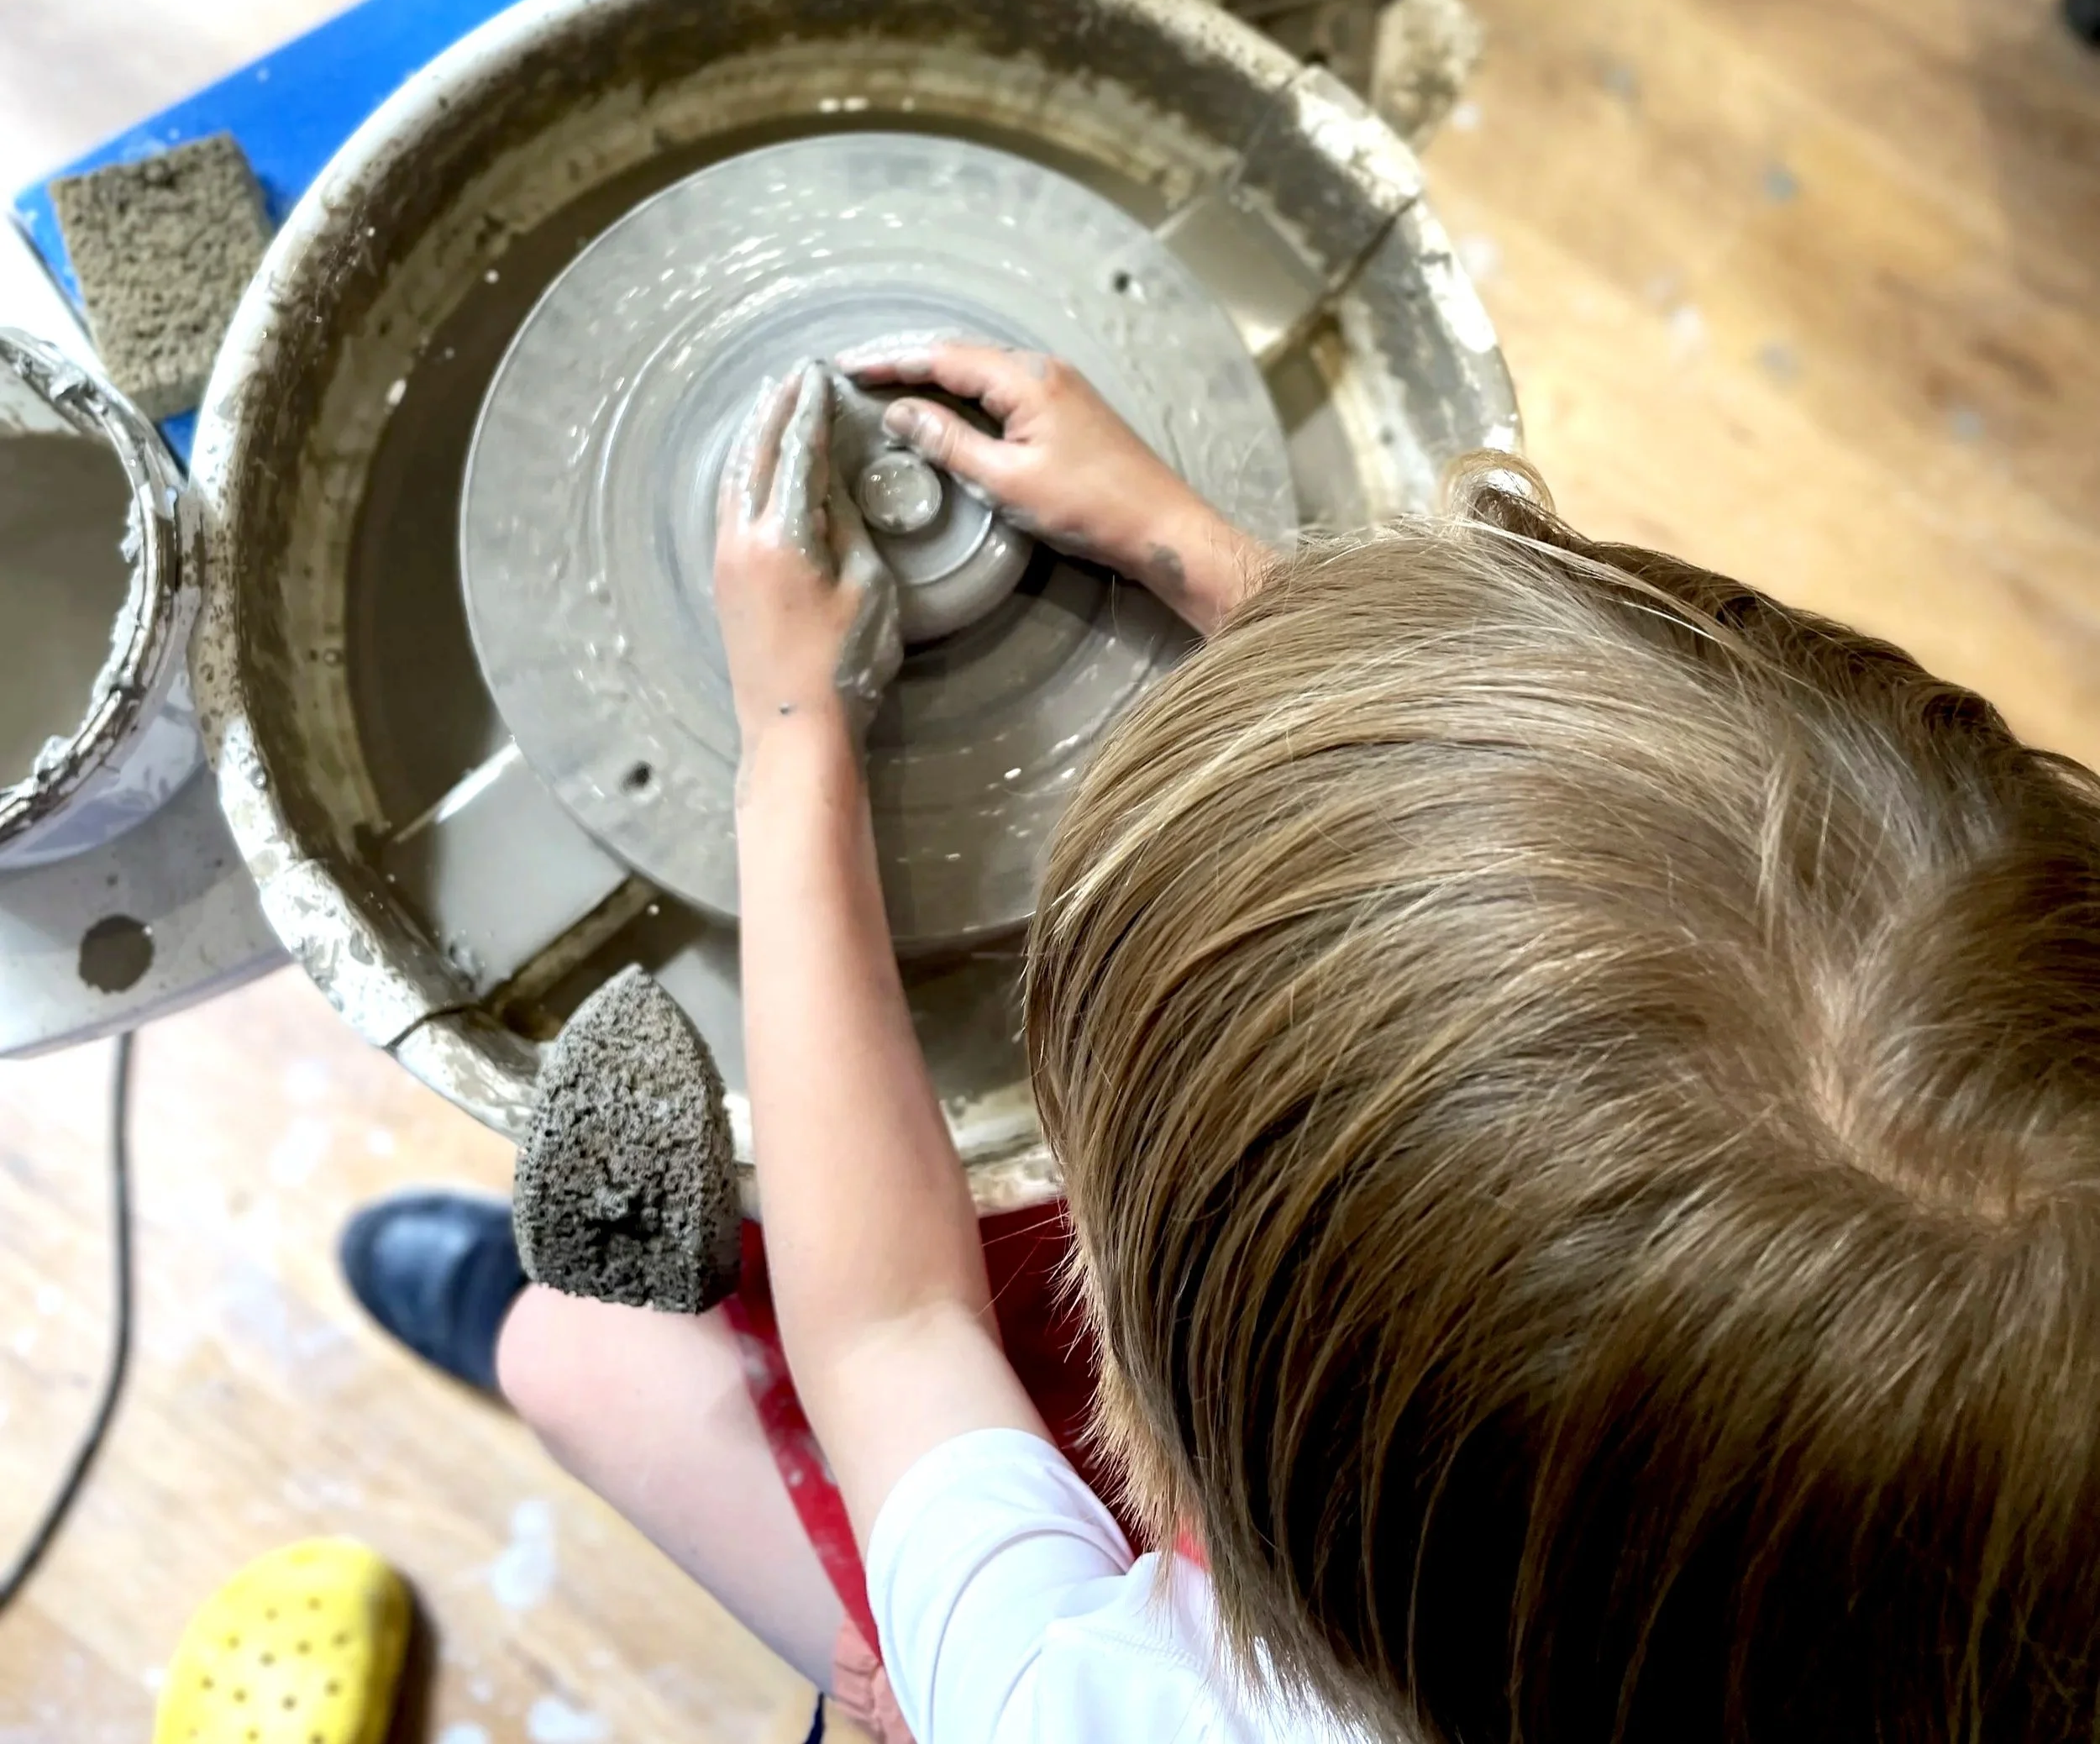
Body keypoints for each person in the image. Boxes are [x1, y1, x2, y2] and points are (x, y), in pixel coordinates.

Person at [344, 341, 2100, 1743]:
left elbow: (891, 1323)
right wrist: (1217, 570)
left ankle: (514, 1324)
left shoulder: (1114, 1708)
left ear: (1190, 1463)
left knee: (580, 1354)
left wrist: (791, 730)